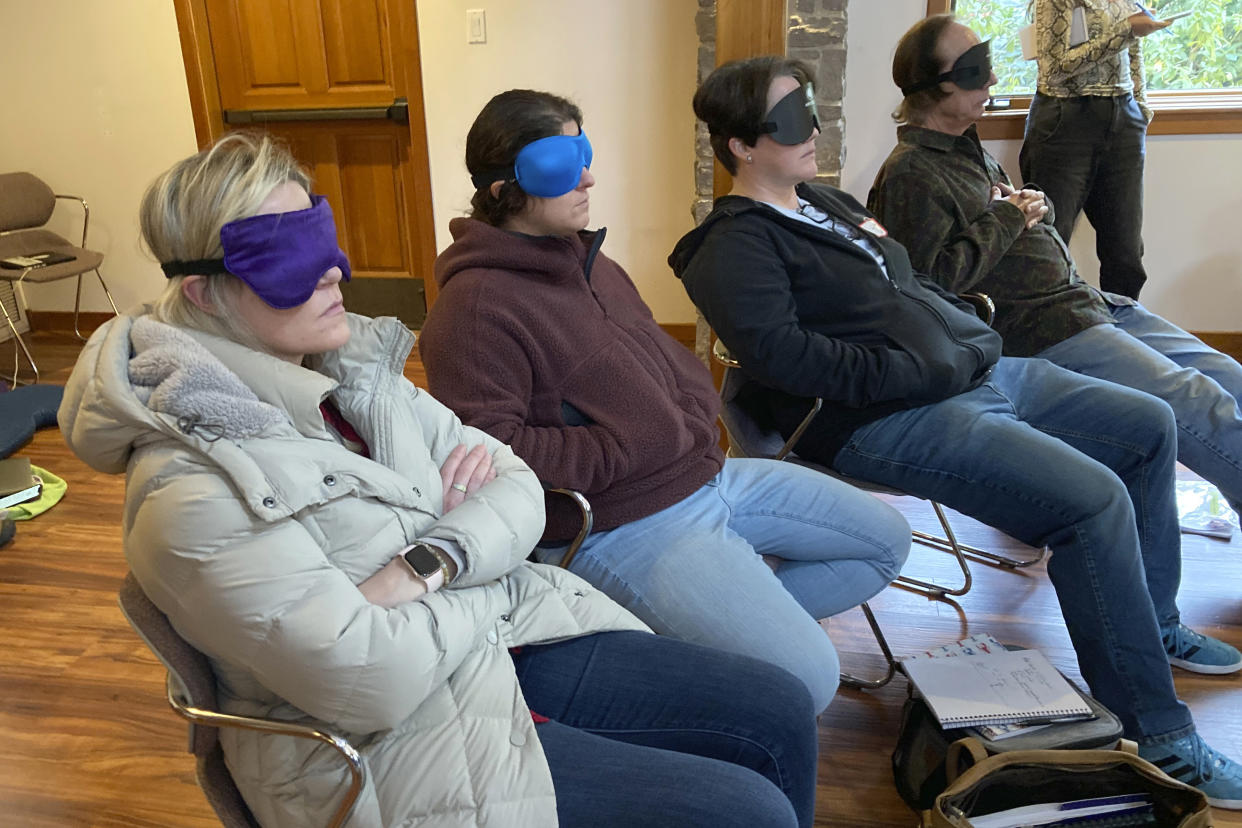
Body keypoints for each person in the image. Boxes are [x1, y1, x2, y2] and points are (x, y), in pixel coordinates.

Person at [58, 133, 823, 828]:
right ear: (203, 290)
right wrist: (475, 550)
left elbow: (517, 481)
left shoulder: (357, 373)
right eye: (288, 257)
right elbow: (370, 679)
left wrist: (427, 564)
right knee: (746, 811)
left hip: (504, 639)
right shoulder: (189, 490)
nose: (332, 269)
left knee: (780, 705)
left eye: (321, 236)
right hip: (392, 741)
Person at [669, 55, 1242, 809]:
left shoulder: (827, 203)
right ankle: (1160, 735)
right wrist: (915, 370)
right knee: (1091, 500)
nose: (814, 128)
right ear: (742, 144)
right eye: (791, 120)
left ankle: (1153, 621)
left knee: (1146, 422)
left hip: (970, 373)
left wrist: (964, 337)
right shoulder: (732, 245)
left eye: (811, 109)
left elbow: (909, 287)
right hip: (885, 418)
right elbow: (787, 361)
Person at [417, 89, 911, 716]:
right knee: (807, 683)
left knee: (885, 541)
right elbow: (490, 450)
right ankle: (716, 644)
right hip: (622, 522)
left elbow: (660, 359)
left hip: (705, 476)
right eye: (562, 163)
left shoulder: (593, 263)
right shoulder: (474, 308)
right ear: (502, 186)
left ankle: (715, 631)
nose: (589, 175)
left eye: (585, 152)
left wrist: (683, 408)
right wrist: (626, 444)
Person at [871, 13, 1242, 525]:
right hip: (1042, 330)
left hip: (1087, 305)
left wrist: (1025, 208)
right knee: (1199, 401)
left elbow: (993, 230)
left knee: (1229, 376)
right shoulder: (910, 172)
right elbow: (929, 285)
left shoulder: (965, 150)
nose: (994, 80)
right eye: (976, 71)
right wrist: (1007, 216)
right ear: (933, 88)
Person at [1018, 0, 1171, 299]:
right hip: (1065, 119)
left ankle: (1124, 335)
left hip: (1123, 118)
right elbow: (1055, 67)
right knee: (1049, 245)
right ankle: (1046, 334)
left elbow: (1134, 50)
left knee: (1125, 253)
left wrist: (1140, 107)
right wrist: (1126, 31)